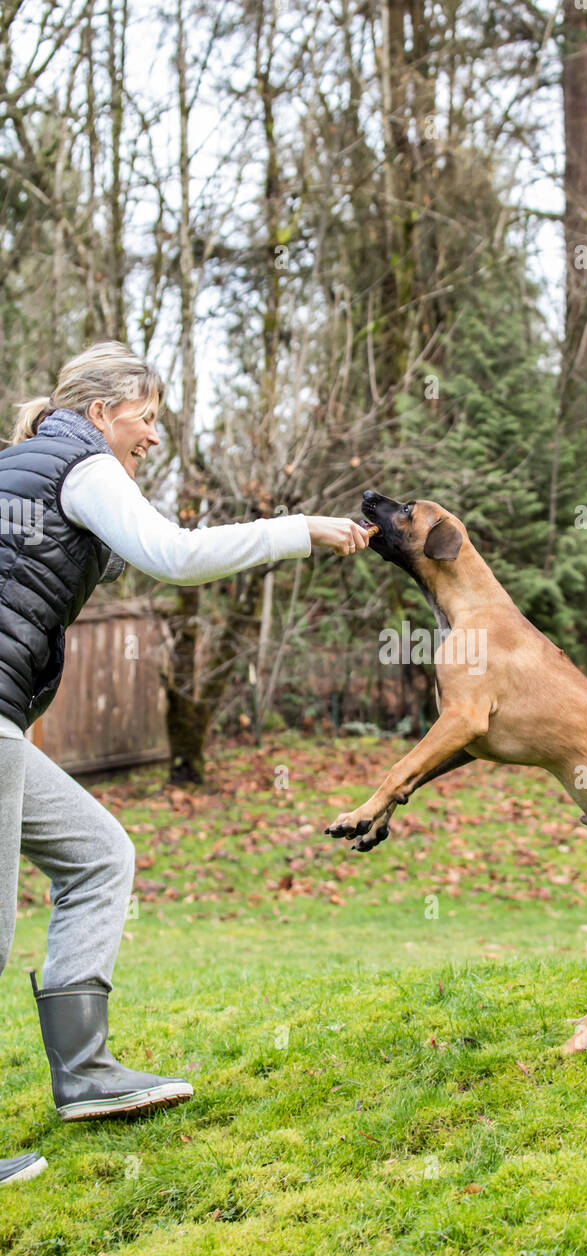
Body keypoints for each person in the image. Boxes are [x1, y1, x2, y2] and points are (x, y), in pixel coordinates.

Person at [0, 340, 370, 1186]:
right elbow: (175, 557)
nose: (154, 438)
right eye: (147, 418)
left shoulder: (24, 465)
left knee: (98, 854)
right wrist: (299, 531)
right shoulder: (81, 465)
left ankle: (85, 1073)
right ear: (101, 413)